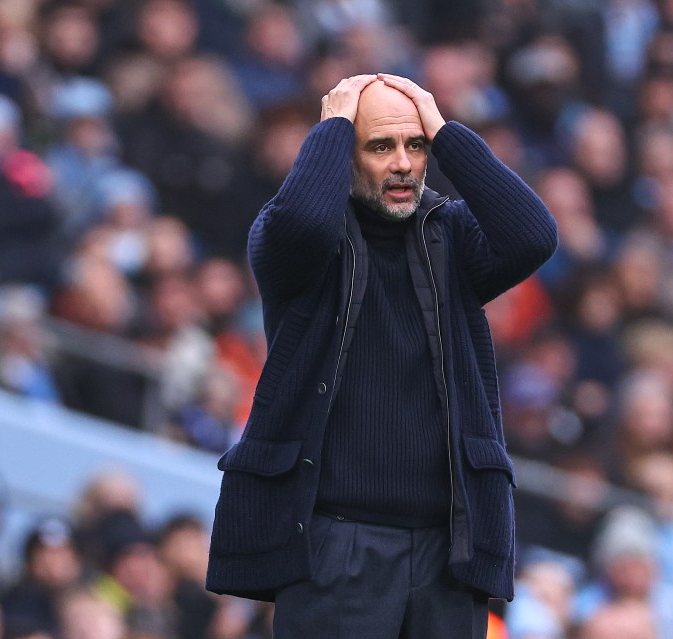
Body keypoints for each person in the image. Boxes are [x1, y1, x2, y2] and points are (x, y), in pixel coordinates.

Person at [204, 73, 557, 639]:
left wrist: (445, 131)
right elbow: (303, 222)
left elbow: (533, 234)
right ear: (343, 154)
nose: (402, 163)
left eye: (414, 146)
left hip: (449, 551)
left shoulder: (452, 234)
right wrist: (334, 126)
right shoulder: (292, 243)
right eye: (379, 146)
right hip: (335, 544)